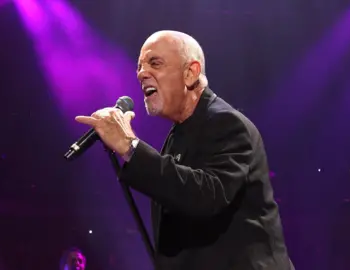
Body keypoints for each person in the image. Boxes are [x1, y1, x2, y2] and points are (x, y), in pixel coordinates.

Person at [75, 30, 294, 270]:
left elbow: (208, 196)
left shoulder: (227, 123)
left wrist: (129, 147)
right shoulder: (178, 134)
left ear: (191, 73)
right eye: (139, 66)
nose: (141, 73)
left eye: (154, 63)